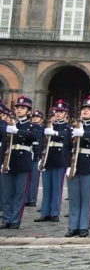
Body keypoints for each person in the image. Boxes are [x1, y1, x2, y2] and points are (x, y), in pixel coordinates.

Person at [62, 96, 90, 237]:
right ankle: (73, 226)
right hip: (74, 164)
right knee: (74, 198)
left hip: (89, 164)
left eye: (89, 109)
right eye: (84, 109)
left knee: (87, 198)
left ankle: (83, 227)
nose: (85, 111)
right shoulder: (71, 127)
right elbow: (66, 148)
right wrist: (67, 165)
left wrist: (85, 134)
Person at [1, 95, 42, 229]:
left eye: (22, 108)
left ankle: (15, 219)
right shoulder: (7, 124)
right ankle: (7, 219)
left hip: (23, 161)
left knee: (19, 193)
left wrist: (17, 131)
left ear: (28, 111)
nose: (19, 110)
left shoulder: (31, 126)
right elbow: (3, 145)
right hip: (8, 160)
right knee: (7, 193)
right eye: (18, 107)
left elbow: (35, 136)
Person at [35, 101, 72, 223]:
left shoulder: (68, 126)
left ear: (66, 114)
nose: (58, 114)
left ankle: (55, 212)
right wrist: (40, 157)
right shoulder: (48, 126)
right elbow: (42, 142)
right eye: (57, 111)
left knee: (56, 188)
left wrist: (56, 133)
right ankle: (45, 212)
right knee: (47, 187)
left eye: (61, 112)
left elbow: (68, 135)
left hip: (59, 159)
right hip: (48, 157)